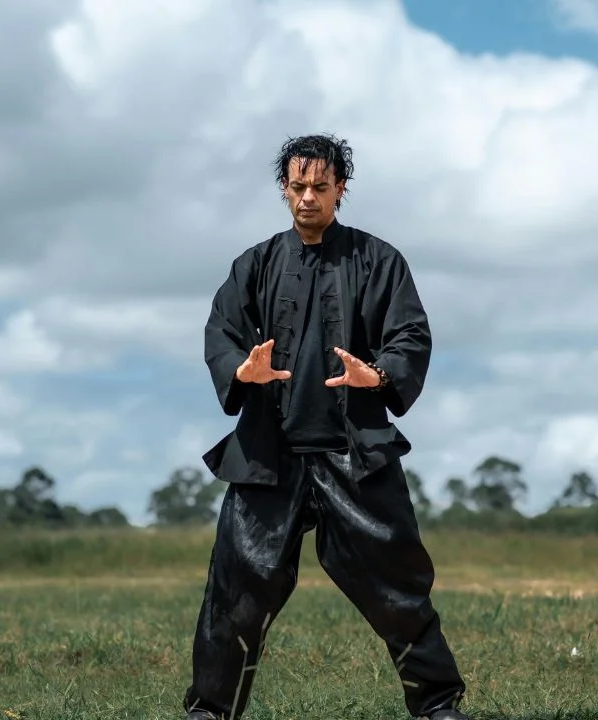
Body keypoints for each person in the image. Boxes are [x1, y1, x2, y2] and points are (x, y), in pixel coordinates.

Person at [183, 134, 471, 720]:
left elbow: (410, 335)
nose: (308, 197)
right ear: (283, 189)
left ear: (342, 187)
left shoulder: (379, 261)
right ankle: (209, 712)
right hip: (270, 457)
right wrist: (242, 369)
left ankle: (438, 705)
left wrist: (381, 375)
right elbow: (222, 332)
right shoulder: (255, 264)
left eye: (321, 186)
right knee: (236, 593)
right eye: (297, 186)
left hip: (353, 453)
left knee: (398, 589)